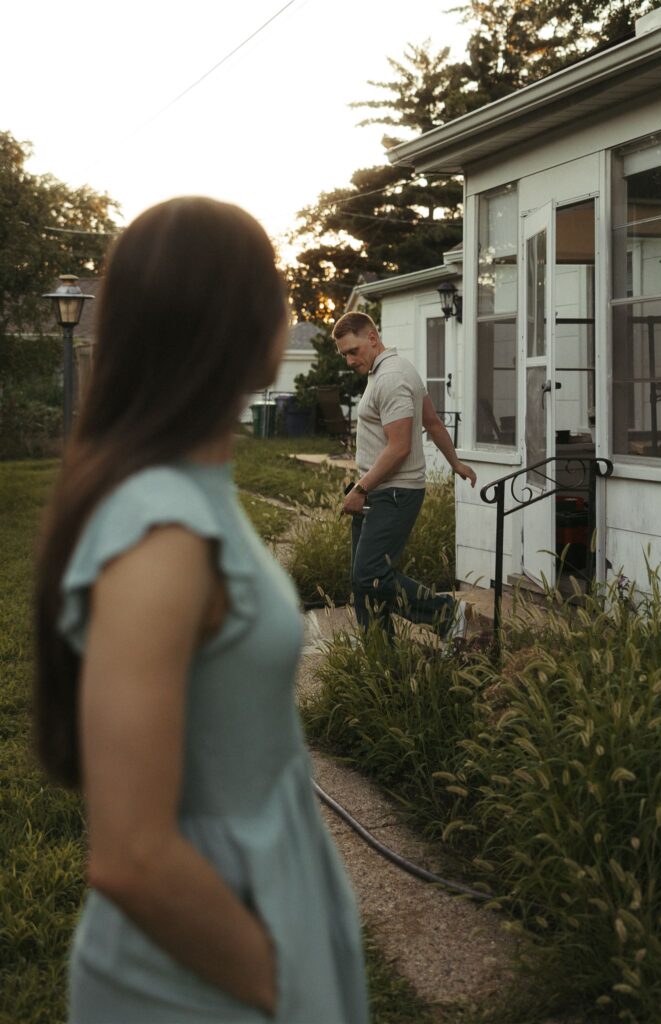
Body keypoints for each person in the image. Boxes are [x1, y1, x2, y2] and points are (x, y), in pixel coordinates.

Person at [34, 197, 369, 1024]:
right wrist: (273, 979)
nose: (291, 309)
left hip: (251, 921)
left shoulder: (189, 494)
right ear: (236, 316)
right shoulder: (161, 529)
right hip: (195, 977)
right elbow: (133, 857)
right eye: (278, 287)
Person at [333, 311, 477, 639]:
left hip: (393, 491)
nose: (349, 361)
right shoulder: (391, 371)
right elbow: (433, 422)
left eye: (353, 351)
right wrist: (455, 463)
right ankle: (379, 655)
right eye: (344, 355)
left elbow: (398, 448)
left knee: (371, 572)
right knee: (364, 580)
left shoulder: (391, 377)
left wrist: (360, 487)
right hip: (378, 491)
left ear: (372, 338)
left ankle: (446, 615)